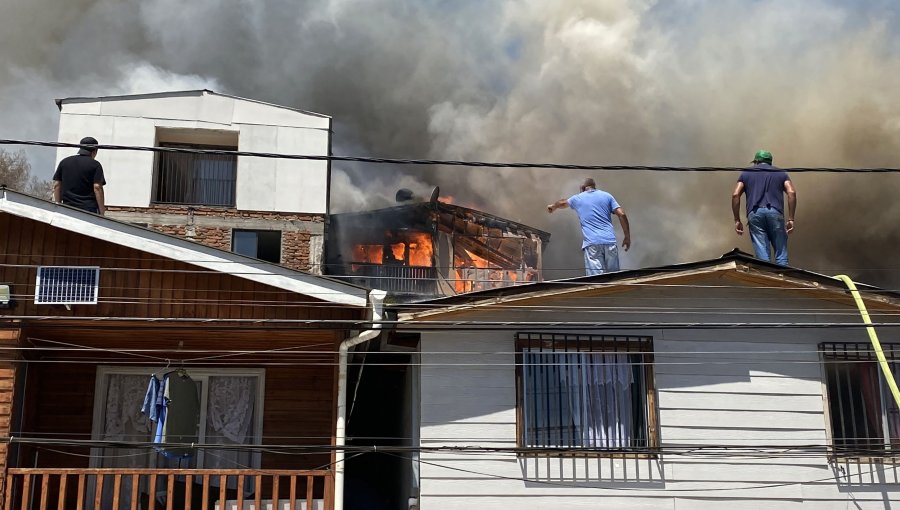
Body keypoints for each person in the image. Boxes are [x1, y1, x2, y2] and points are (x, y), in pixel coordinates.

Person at [547, 178, 631, 275]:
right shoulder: (607, 196)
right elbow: (622, 214)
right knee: (614, 280)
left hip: (592, 245)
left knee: (597, 282)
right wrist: (627, 237)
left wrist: (553, 206)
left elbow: (562, 203)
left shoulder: (578, 198)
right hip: (610, 243)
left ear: (583, 188)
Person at [731, 149, 797, 265]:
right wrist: (791, 218)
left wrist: (737, 220)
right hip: (775, 213)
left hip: (755, 214)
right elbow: (791, 192)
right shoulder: (781, 173)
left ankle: (767, 277)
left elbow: (735, 194)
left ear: (756, 161)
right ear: (770, 162)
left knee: (763, 256)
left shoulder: (746, 173)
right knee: (781, 251)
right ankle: (783, 279)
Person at [52, 136, 106, 215]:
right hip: (88, 211)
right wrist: (102, 212)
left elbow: (57, 185)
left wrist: (58, 205)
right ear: (94, 151)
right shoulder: (95, 165)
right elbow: (97, 187)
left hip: (67, 208)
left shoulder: (64, 162)